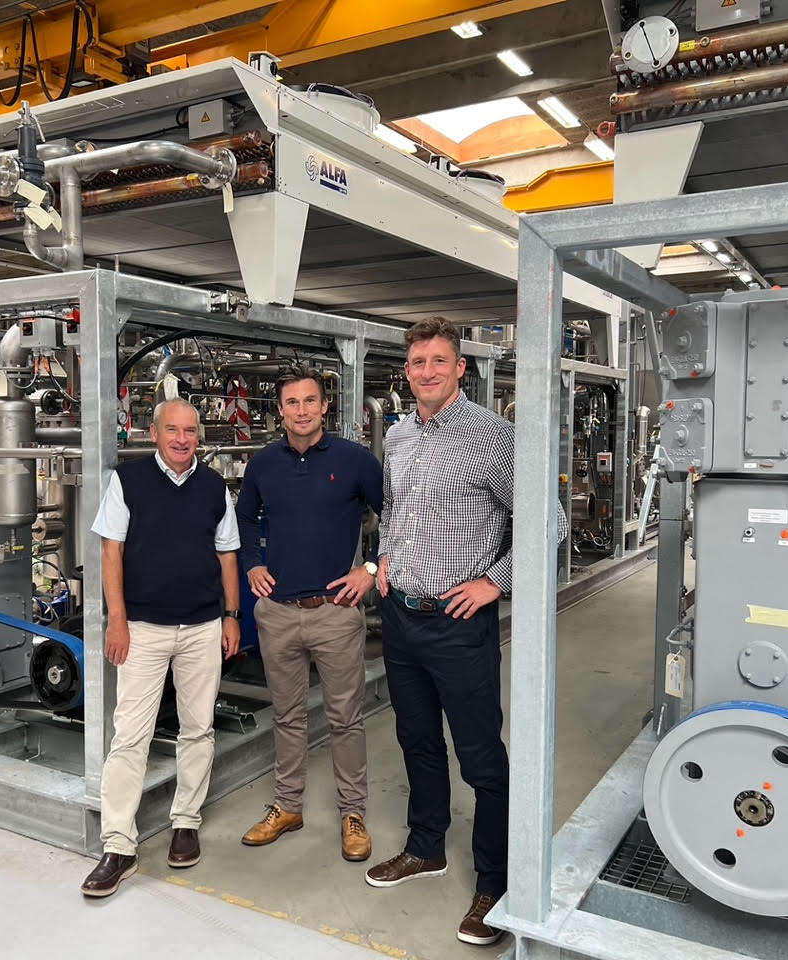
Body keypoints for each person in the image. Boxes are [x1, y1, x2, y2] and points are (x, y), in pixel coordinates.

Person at [365, 318, 568, 947]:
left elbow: (550, 521)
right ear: (407, 370)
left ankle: (495, 881)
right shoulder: (398, 436)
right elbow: (396, 510)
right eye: (417, 360)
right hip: (400, 616)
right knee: (417, 740)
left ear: (460, 369)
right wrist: (384, 560)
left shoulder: (494, 437)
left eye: (438, 361)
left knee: (482, 757)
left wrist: (495, 583)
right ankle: (427, 848)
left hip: (459, 623)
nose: (426, 370)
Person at [81, 398, 241, 899]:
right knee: (130, 735)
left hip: (201, 627)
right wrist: (118, 622)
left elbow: (228, 554)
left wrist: (232, 617)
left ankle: (186, 821)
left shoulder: (216, 487)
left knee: (198, 728)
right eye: (172, 430)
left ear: (199, 436)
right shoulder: (127, 482)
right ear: (153, 433)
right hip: (144, 629)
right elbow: (112, 553)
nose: (181, 439)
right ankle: (118, 846)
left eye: (190, 431)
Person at [236, 365, 384, 862]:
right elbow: (244, 519)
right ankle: (288, 805)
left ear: (325, 407)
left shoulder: (355, 459)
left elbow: (399, 517)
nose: (301, 410)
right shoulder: (262, 465)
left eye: (310, 401)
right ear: (280, 411)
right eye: (292, 403)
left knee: (346, 719)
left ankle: (353, 812)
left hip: (335, 612)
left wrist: (370, 568)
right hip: (277, 613)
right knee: (288, 716)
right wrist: (253, 564)